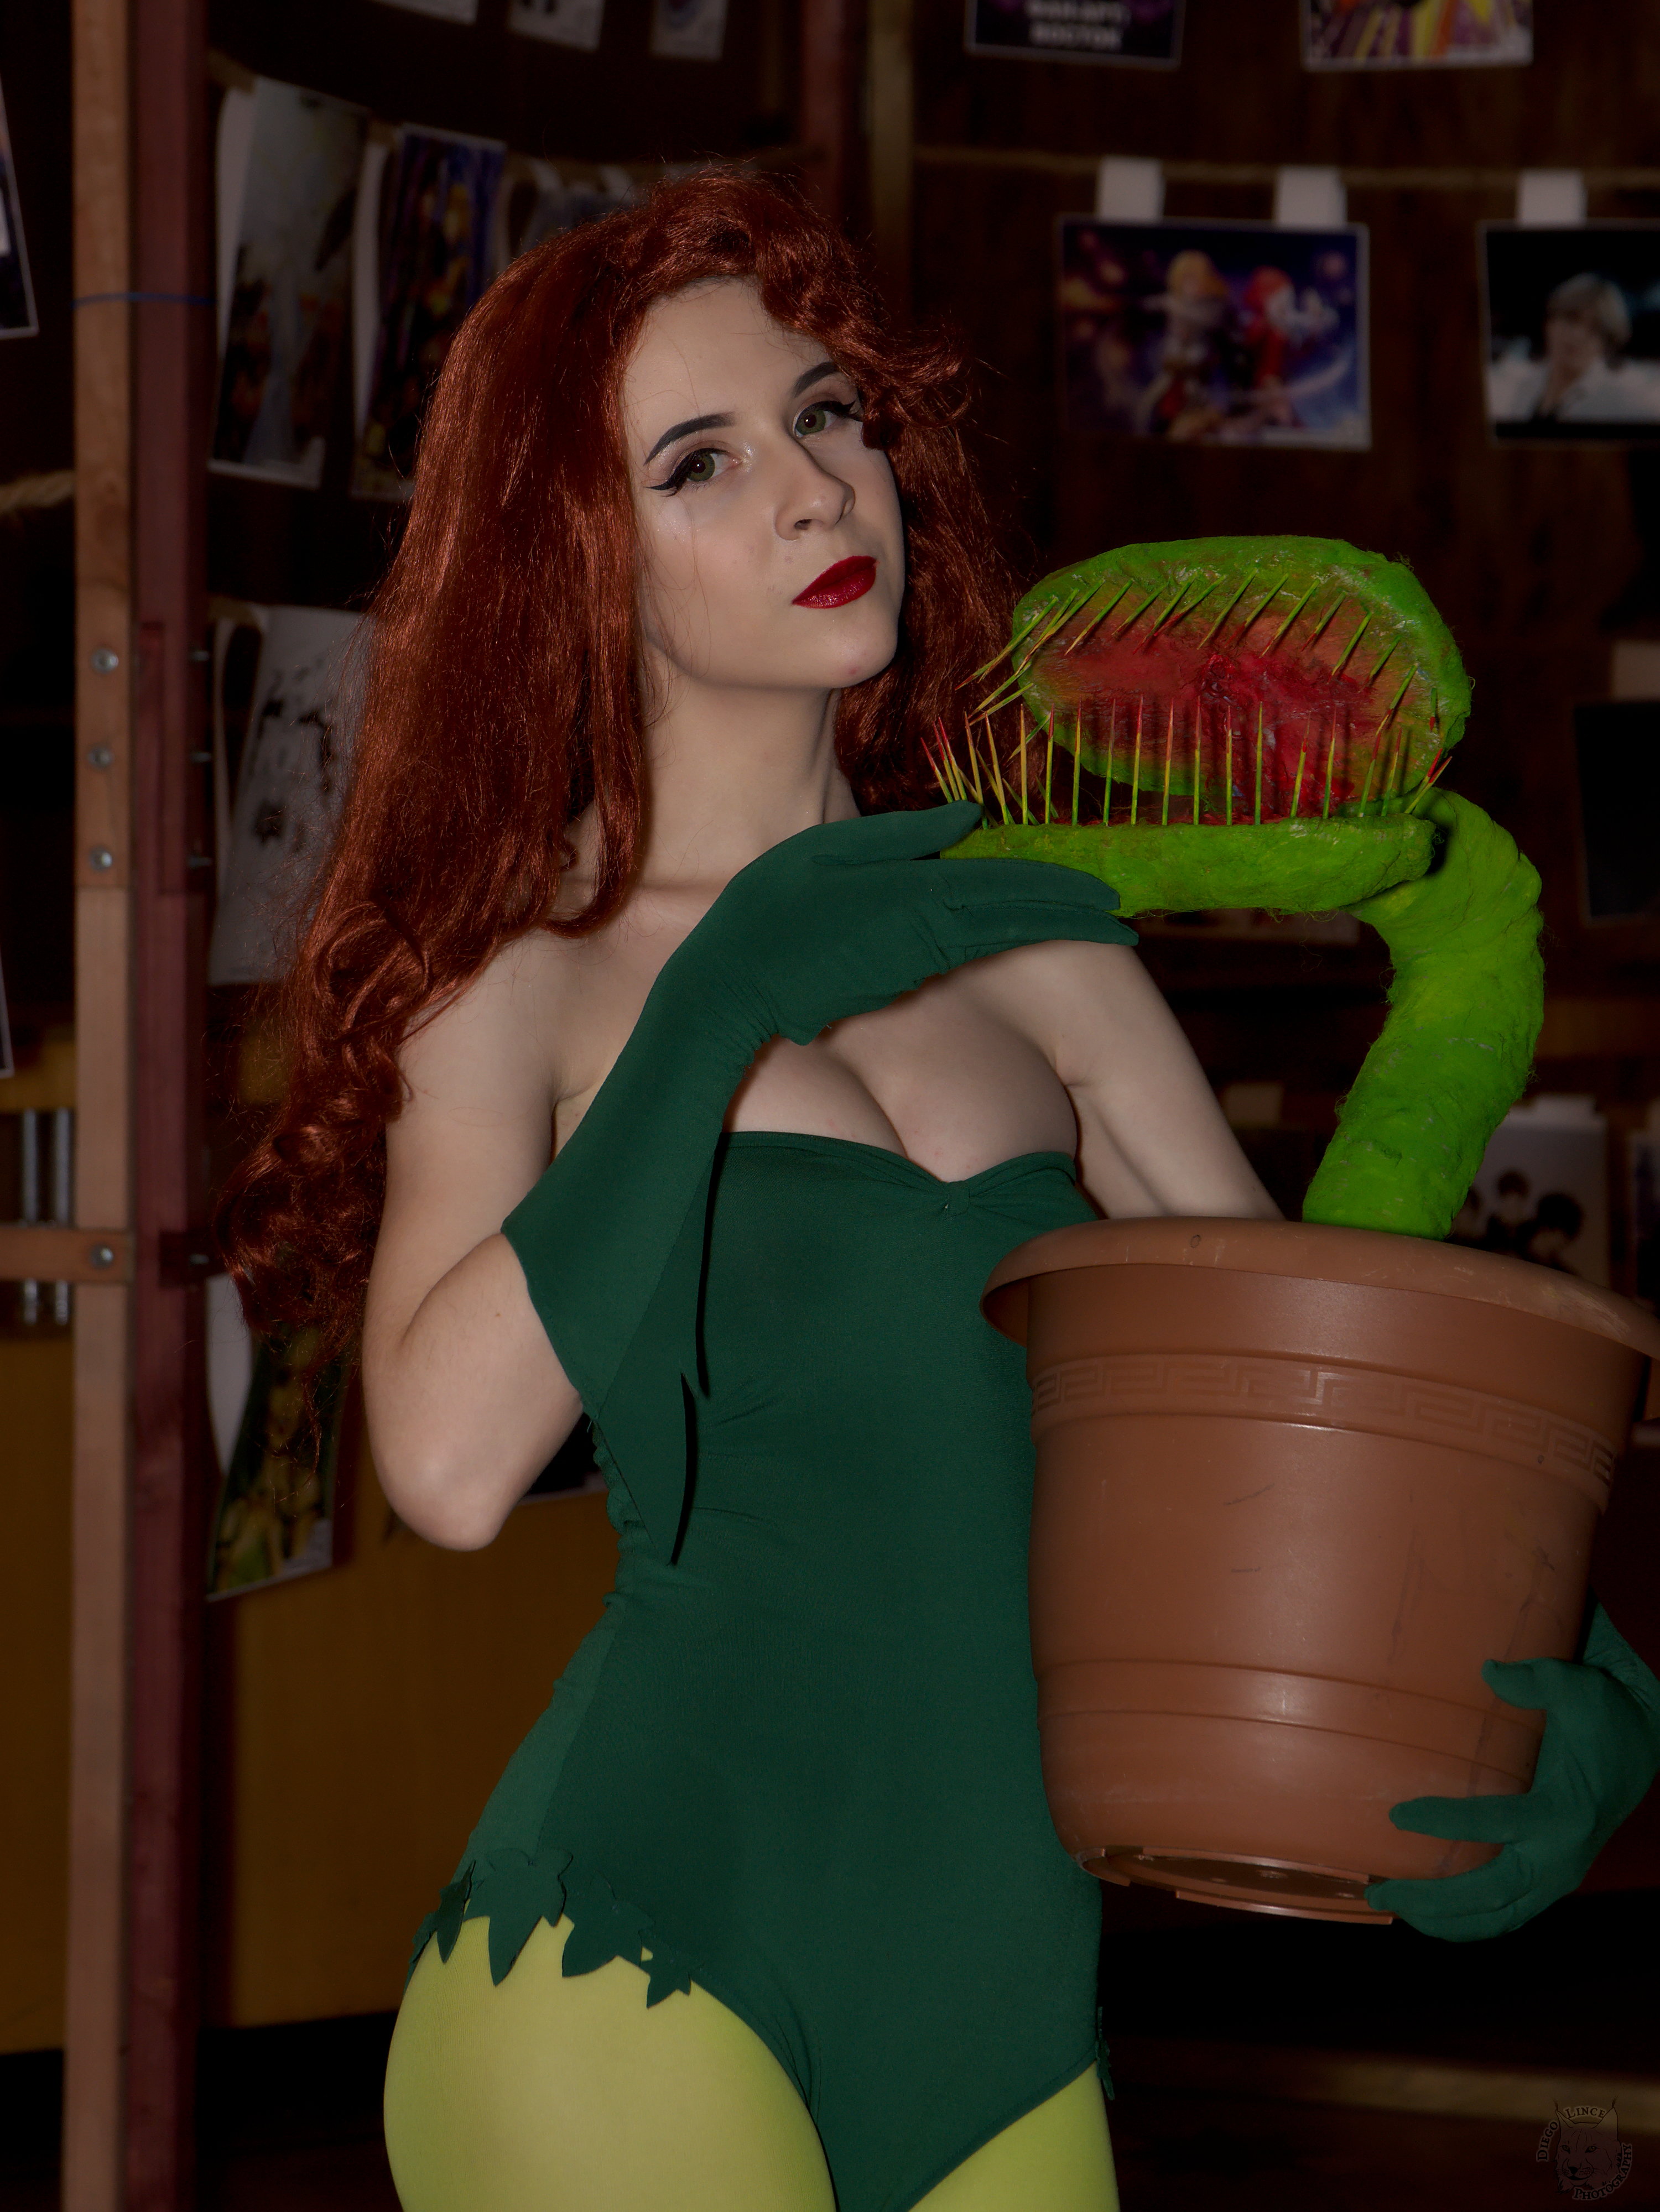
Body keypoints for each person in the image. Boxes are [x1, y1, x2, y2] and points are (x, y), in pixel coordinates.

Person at [221, 168, 1279, 2211]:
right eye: (701, 461)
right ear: (582, 562)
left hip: (999, 2012)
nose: (814, 489)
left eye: (827, 414)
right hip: (628, 1965)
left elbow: (1299, 1418)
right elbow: (444, 1462)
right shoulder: (523, 977)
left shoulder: (1039, 942)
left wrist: (1527, 1693)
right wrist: (710, 1010)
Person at [1487, 271, 1660, 425]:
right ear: (1550, 322)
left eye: (1595, 330)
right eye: (1572, 319)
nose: (1578, 335)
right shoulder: (1523, 384)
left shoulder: (1618, 399)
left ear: (1606, 345)